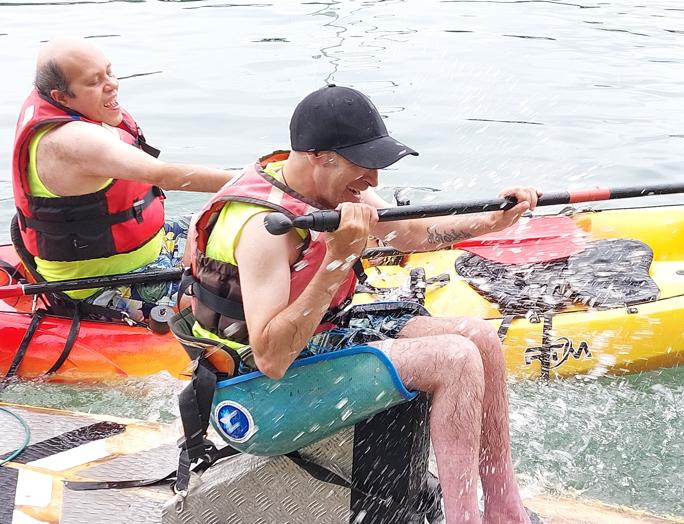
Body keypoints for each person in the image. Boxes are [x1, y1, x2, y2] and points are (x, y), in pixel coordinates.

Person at [184, 84, 539, 524]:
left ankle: (505, 511)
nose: (374, 181)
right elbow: (272, 357)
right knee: (454, 358)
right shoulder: (263, 229)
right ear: (318, 155)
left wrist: (492, 220)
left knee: (478, 336)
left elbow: (412, 234)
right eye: (365, 164)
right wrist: (338, 258)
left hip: (315, 346)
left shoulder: (331, 189)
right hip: (254, 397)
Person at [10, 37, 234, 321]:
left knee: (228, 220)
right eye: (94, 82)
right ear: (61, 97)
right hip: (106, 284)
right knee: (236, 291)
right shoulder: (70, 141)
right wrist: (256, 183)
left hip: (145, 249)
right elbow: (164, 175)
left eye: (109, 72)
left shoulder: (68, 112)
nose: (112, 84)